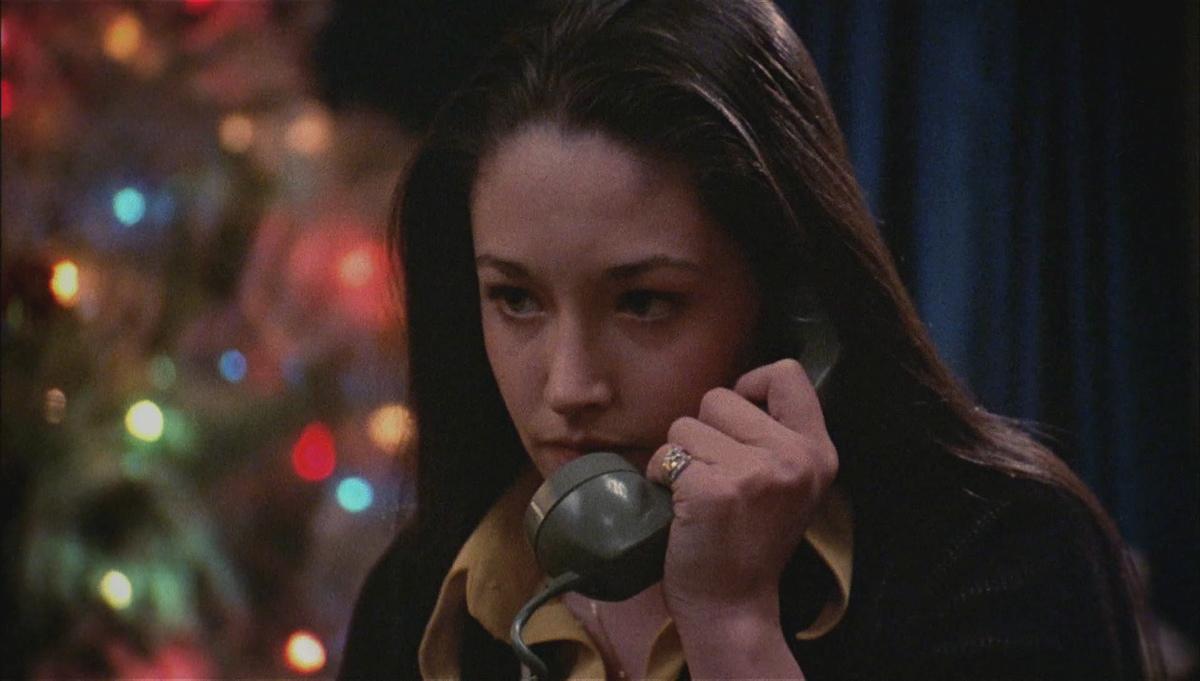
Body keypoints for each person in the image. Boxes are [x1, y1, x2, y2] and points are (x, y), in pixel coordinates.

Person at [339, 0, 1158, 678]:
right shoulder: (423, 597)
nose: (569, 385)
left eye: (645, 303)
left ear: (792, 309)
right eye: (516, 299)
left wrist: (733, 627)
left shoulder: (1002, 557)